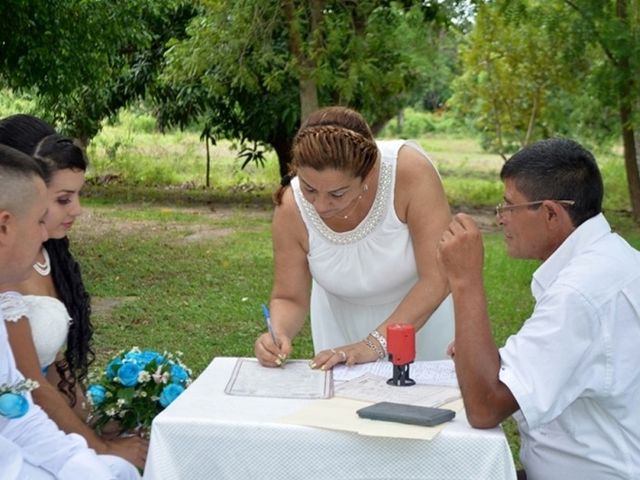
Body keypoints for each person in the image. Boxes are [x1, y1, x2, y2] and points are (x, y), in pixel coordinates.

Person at [437, 138, 640, 479]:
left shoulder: (579, 293)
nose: (500, 220)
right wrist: (483, 356)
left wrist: (465, 280)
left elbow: (485, 407)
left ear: (549, 212)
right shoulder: (615, 259)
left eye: (508, 206)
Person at [0, 114, 148, 469]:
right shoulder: (8, 274)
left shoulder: (45, 255)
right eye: (62, 199)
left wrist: (93, 422)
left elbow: (49, 367)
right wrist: (98, 448)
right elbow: (29, 386)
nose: (77, 211)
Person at [255, 106, 454, 370]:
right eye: (309, 189)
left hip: (422, 320)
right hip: (339, 328)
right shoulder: (291, 206)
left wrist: (371, 345)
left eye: (337, 194)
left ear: (368, 173)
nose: (321, 205)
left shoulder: (410, 172)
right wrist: (278, 333)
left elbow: (438, 277)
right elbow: (289, 297)